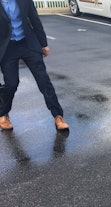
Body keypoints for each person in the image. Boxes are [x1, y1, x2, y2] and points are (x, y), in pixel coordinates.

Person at [0, 0, 69, 131]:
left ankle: (58, 116)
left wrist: (43, 44)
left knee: (44, 80)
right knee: (11, 84)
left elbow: (34, 19)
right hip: (7, 48)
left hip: (28, 43)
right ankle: (3, 113)